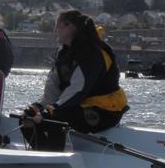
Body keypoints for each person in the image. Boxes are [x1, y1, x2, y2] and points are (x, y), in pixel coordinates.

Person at [21, 10, 129, 151]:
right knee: (27, 118)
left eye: (58, 26)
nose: (55, 31)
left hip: (105, 111)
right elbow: (53, 91)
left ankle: (53, 159)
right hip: (80, 105)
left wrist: (50, 111)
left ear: (70, 27)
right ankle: (41, 153)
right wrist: (36, 108)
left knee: (56, 116)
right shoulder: (64, 52)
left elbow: (77, 90)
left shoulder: (92, 53)